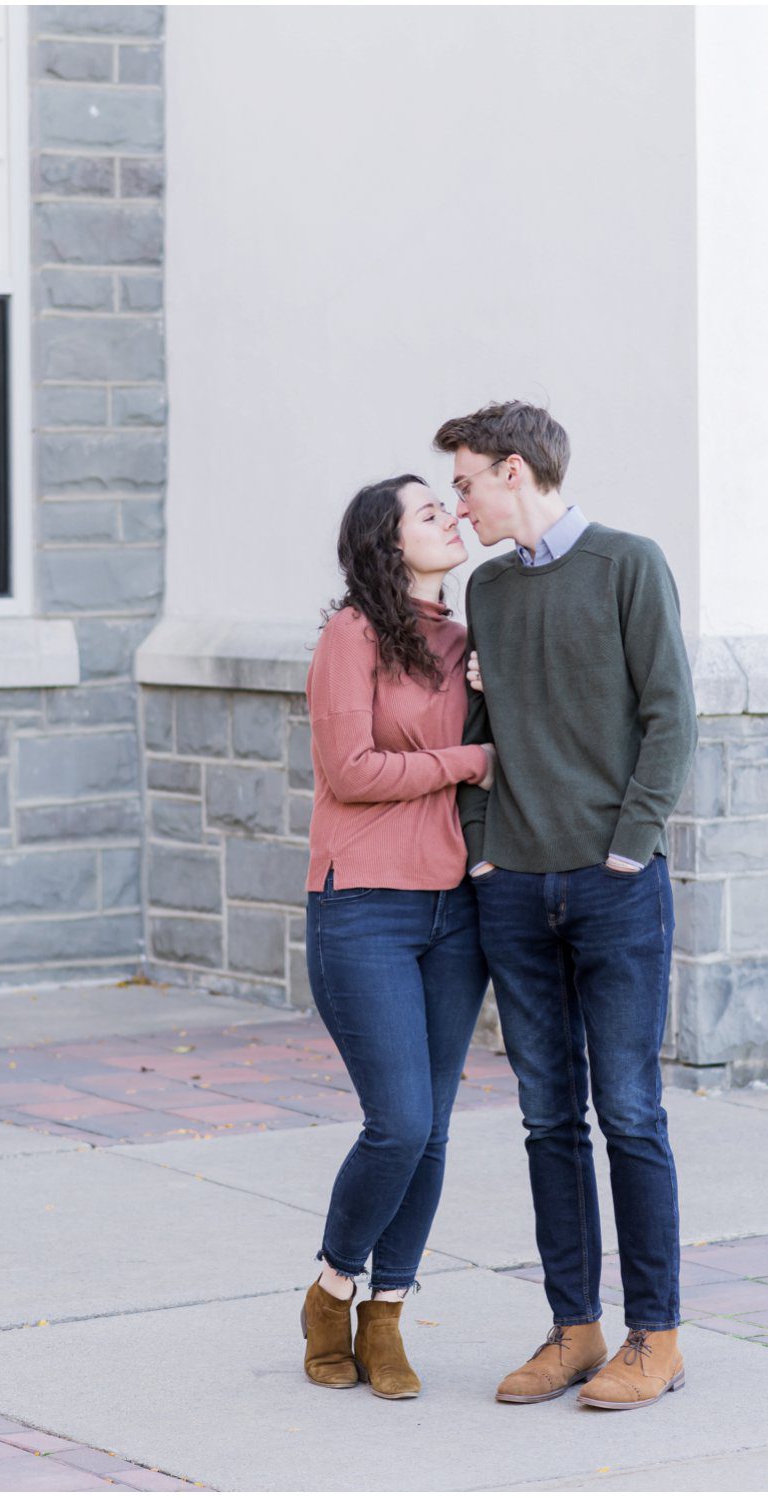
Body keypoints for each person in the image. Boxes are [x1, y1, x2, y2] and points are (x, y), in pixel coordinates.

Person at [441, 401, 697, 1412]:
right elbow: (479, 724)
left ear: (514, 470)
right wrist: (481, 854)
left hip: (613, 887)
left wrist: (627, 849)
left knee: (629, 1112)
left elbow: (669, 714)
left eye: (465, 483)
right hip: (514, 887)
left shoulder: (630, 563)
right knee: (547, 1116)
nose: (458, 506)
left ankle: (657, 1336)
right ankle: (573, 1329)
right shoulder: (489, 591)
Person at [300, 475, 496, 1398]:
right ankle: (333, 1283)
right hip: (363, 906)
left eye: (450, 506)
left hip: (452, 909)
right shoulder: (353, 634)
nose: (451, 517)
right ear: (388, 540)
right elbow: (349, 768)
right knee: (400, 1122)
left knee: (435, 1130)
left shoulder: (468, 640)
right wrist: (467, 761)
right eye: (430, 511)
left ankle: (387, 1315)